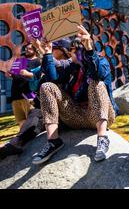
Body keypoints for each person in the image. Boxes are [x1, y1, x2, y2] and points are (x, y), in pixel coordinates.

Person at [30, 26, 119, 165]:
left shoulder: (100, 61)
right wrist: (47, 52)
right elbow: (53, 78)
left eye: (76, 52)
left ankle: (102, 138)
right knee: (47, 87)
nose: (73, 56)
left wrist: (89, 50)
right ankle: (53, 141)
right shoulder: (72, 66)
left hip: (101, 113)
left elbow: (97, 74)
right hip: (76, 116)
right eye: (72, 52)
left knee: (97, 84)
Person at [0, 40, 72, 160]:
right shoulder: (44, 64)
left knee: (38, 109)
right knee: (35, 117)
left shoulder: (68, 64)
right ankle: (16, 143)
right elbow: (33, 74)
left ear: (63, 50)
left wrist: (43, 50)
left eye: (54, 47)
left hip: (66, 107)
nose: (51, 49)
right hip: (47, 108)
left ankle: (50, 140)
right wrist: (16, 73)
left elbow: (53, 76)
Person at [7, 43, 41, 128]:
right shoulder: (20, 60)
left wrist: (27, 74)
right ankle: (24, 137)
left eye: (29, 49)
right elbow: (14, 75)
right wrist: (9, 75)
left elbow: (39, 77)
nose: (26, 50)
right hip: (15, 95)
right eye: (26, 48)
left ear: (35, 50)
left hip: (28, 94)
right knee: (20, 120)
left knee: (30, 120)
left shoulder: (38, 61)